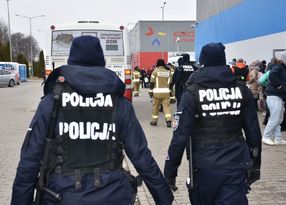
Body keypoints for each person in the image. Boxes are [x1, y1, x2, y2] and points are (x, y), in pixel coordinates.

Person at [11, 36, 173, 205]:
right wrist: (164, 198)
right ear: (101, 62)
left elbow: (29, 162)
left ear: (71, 61)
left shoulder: (51, 102)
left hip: (61, 196)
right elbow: (142, 157)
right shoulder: (118, 103)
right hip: (113, 195)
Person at [164, 43, 262, 205]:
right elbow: (254, 134)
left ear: (202, 62)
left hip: (204, 167)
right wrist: (255, 166)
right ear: (223, 60)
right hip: (235, 165)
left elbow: (180, 136)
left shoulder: (192, 92)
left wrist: (169, 173)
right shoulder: (241, 90)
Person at [262, 51, 286, 145]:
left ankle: (278, 138)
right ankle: (266, 136)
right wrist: (279, 85)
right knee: (275, 118)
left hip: (278, 95)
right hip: (275, 95)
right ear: (284, 58)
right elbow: (272, 75)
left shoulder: (280, 67)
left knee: (278, 118)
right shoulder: (279, 67)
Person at [149, 59, 173, 127]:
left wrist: (150, 92)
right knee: (166, 107)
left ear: (157, 64)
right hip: (166, 93)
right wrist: (171, 93)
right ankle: (168, 120)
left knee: (155, 107)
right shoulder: (168, 72)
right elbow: (171, 83)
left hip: (157, 94)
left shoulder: (155, 72)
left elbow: (152, 83)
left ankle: (154, 121)